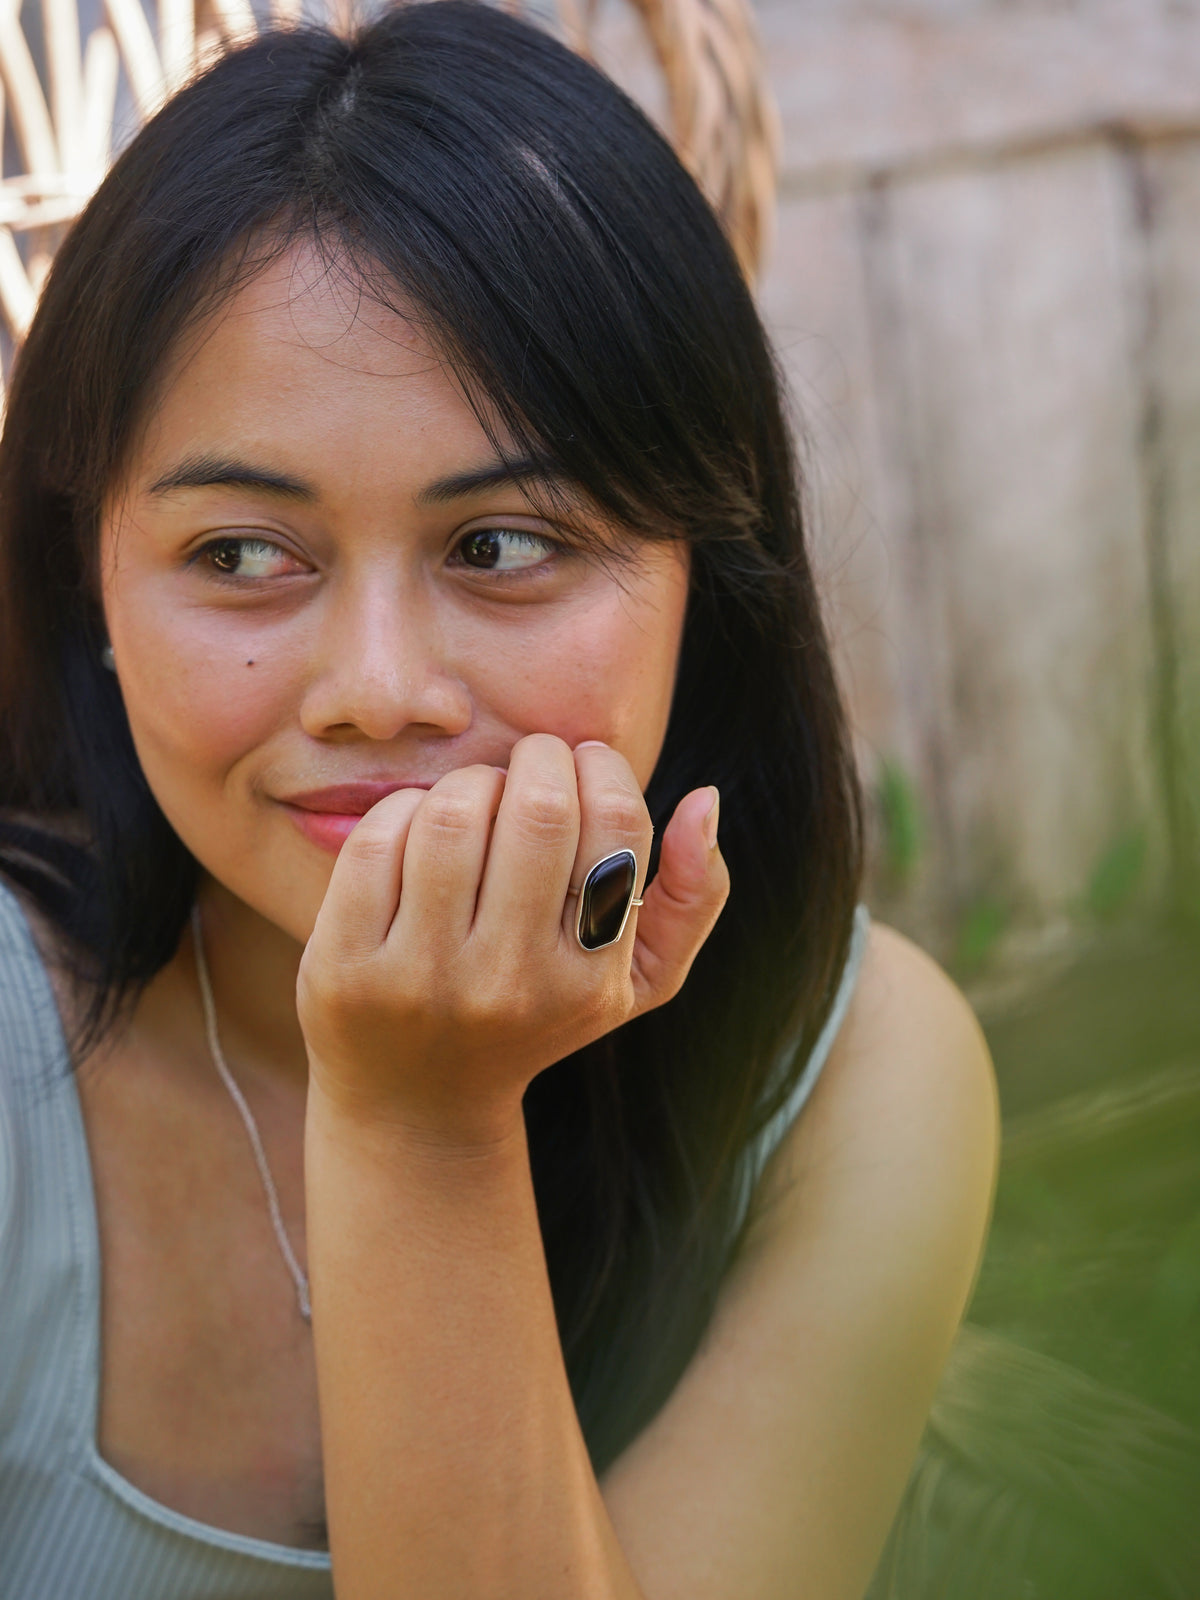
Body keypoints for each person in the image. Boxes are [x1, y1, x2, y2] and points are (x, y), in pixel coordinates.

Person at [0, 4, 997, 1595]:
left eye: (502, 545)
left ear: (704, 580)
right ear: (93, 593)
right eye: (243, 556)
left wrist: (425, 1129)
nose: (378, 687)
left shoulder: (856, 1077)